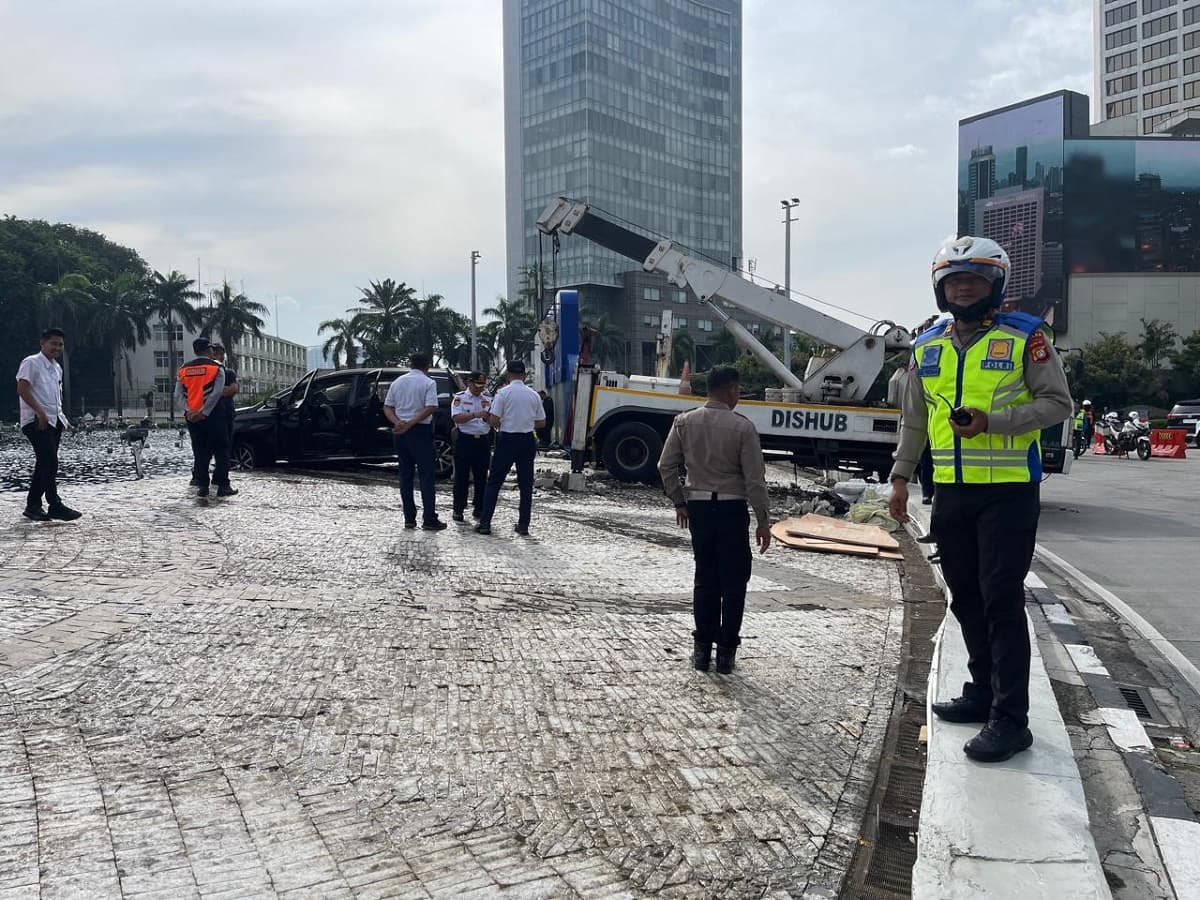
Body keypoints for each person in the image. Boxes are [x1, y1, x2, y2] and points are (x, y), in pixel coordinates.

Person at [888, 235, 1072, 763]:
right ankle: (981, 692)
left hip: (1010, 491)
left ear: (995, 284)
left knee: (1000, 598)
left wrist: (996, 423)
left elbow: (1057, 403)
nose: (963, 287)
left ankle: (1012, 720)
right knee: (965, 595)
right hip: (951, 490)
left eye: (974, 279)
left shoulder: (1026, 337)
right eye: (954, 280)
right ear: (941, 288)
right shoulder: (927, 346)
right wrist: (900, 479)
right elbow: (916, 421)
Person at [658, 365, 771, 675]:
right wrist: (763, 520)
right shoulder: (743, 428)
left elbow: (665, 466)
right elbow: (755, 480)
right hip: (733, 510)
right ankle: (726, 654)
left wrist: (679, 500)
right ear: (732, 390)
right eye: (738, 390)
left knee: (705, 579)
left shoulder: (684, 422)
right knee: (734, 582)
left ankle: (701, 651)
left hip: (699, 511)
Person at [15, 328, 81, 521]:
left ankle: (35, 505)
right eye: (53, 343)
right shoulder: (31, 362)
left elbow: (54, 397)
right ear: (42, 343)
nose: (57, 348)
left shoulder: (56, 367)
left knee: (45, 463)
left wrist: (63, 419)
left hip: (54, 421)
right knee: (49, 461)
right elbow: (22, 389)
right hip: (36, 421)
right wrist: (40, 413)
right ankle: (53, 504)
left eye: (60, 344)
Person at [475, 360, 545, 536]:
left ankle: (485, 523)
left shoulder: (503, 393)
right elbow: (542, 422)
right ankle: (523, 525)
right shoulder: (534, 395)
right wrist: (526, 422)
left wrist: (501, 423)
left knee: (494, 482)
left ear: (507, 374)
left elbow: (493, 419)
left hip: (507, 439)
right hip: (527, 440)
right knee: (526, 485)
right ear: (524, 375)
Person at [384, 353, 445, 530]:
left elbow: (387, 406)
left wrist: (398, 422)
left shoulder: (398, 382)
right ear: (427, 365)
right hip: (420, 430)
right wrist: (412, 422)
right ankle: (429, 518)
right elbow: (431, 406)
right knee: (426, 475)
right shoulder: (428, 382)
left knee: (405, 475)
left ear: (411, 364)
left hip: (400, 431)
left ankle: (409, 518)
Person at [174, 337, 230, 499]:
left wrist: (190, 411)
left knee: (199, 451)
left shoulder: (183, 369)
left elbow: (178, 395)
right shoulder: (216, 367)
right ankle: (223, 485)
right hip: (213, 416)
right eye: (212, 349)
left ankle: (203, 486)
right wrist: (204, 412)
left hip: (192, 418)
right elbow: (216, 393)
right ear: (209, 350)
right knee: (222, 450)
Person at [450, 371, 492, 522]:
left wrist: (490, 419)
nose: (479, 388)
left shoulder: (488, 398)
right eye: (476, 385)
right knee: (461, 476)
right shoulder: (460, 398)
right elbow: (456, 417)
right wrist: (475, 414)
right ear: (469, 383)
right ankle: (458, 509)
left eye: (482, 385)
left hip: (482, 440)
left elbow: (493, 419)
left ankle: (479, 508)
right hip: (465, 440)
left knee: (482, 477)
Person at [207, 342, 239, 495]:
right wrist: (221, 390)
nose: (219, 356)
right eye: (216, 353)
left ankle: (220, 480)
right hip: (211, 415)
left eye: (221, 353)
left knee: (225, 450)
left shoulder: (229, 372)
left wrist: (218, 391)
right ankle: (218, 483)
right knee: (211, 450)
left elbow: (232, 389)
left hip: (227, 415)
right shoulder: (208, 372)